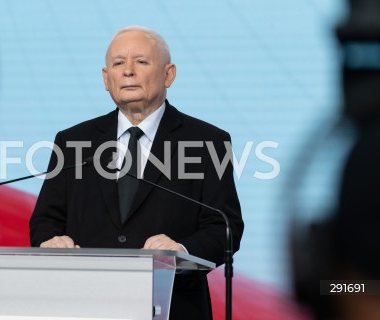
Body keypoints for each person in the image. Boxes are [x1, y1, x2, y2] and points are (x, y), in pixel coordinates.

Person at [30, 26, 244, 320]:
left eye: (141, 62)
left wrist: (181, 250)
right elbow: (45, 220)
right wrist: (49, 242)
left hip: (175, 307)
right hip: (84, 306)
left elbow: (225, 228)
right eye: (118, 63)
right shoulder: (73, 141)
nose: (128, 72)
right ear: (106, 79)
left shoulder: (207, 141)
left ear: (169, 74)